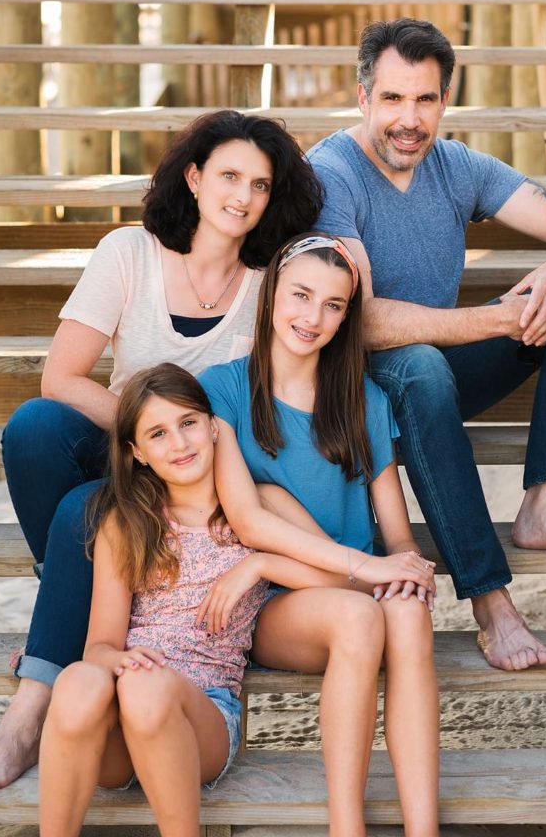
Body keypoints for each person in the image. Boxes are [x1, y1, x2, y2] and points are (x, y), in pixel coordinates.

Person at [0, 109, 323, 794]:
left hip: (203, 477)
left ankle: (27, 712)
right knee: (35, 426)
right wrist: (146, 441)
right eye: (228, 175)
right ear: (193, 178)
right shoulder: (127, 252)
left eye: (259, 184)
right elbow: (62, 377)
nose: (242, 196)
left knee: (83, 510)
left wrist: (177, 455)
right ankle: (78, 615)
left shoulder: (266, 289)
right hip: (128, 450)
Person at [306, 17, 546, 673]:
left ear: (444, 102)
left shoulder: (455, 166)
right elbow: (358, 321)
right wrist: (497, 320)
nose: (408, 119)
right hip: (353, 389)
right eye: (392, 99)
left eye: (424, 100)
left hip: (434, 370)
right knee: (422, 368)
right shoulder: (329, 173)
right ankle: (490, 602)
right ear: (363, 96)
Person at [39, 363, 429, 837]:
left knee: (148, 689)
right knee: (79, 680)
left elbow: (339, 581)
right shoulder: (126, 523)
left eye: (187, 423)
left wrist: (259, 564)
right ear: (137, 452)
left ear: (214, 426)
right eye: (158, 434)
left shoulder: (263, 505)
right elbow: (98, 644)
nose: (179, 444)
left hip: (203, 716)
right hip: (121, 728)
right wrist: (118, 661)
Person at [199, 234, 440, 837]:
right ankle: (346, 827)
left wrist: (407, 568)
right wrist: (258, 564)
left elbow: (397, 532)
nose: (314, 317)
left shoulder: (364, 397)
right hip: (279, 603)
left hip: (359, 582)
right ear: (271, 295)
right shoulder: (223, 389)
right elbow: (250, 520)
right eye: (301, 295)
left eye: (333, 305)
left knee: (409, 616)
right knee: (358, 616)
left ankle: (424, 828)